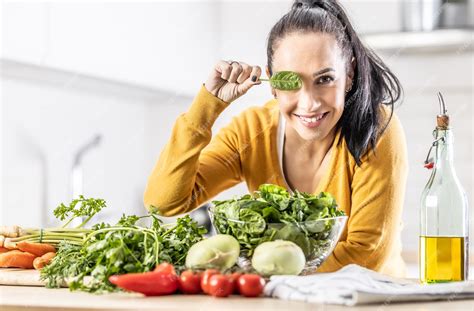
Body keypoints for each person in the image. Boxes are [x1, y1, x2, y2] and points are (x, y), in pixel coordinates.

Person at [144, 0, 408, 278]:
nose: (309, 103)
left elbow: (366, 255)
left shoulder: (375, 128)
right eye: (290, 82)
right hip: (283, 299)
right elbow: (163, 203)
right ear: (272, 83)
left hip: (370, 301)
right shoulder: (251, 131)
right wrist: (207, 106)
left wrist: (264, 274)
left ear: (350, 75)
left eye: (325, 79)